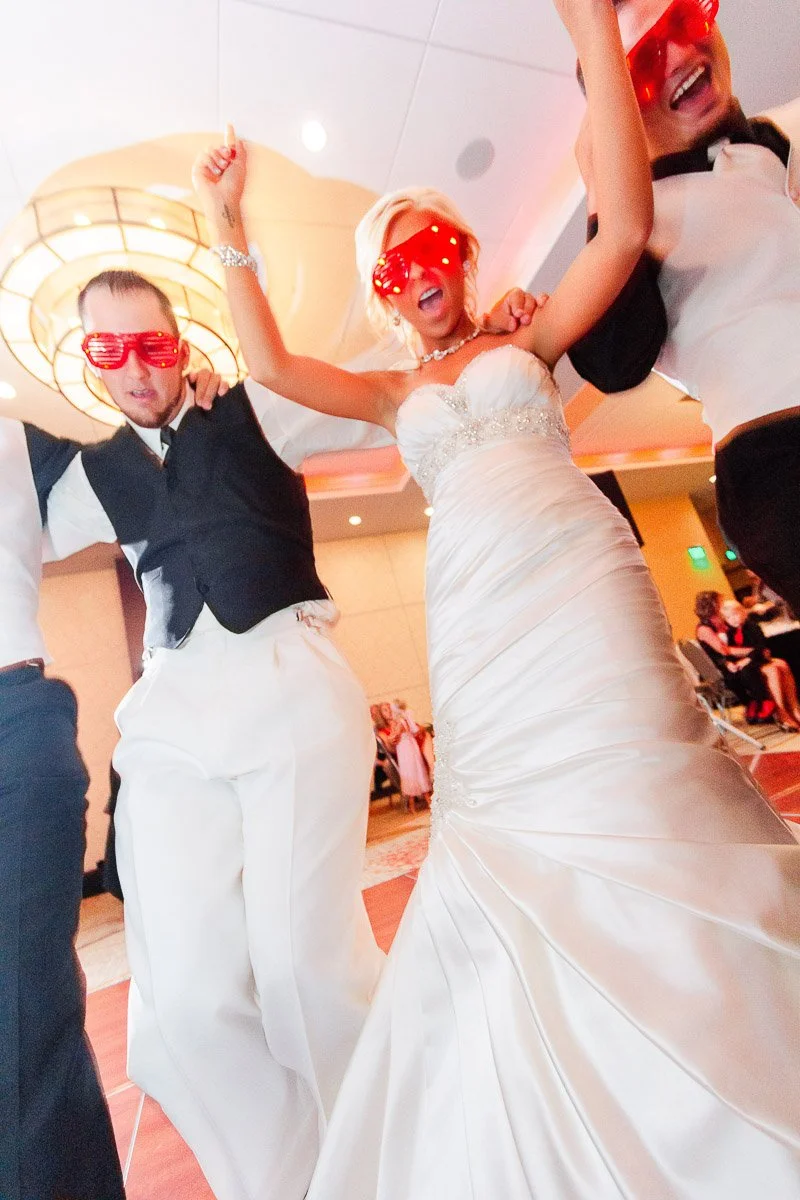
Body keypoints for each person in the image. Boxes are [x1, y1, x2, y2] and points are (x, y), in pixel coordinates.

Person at [195, 0, 800, 1189]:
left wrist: (588, 35)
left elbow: (622, 228)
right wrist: (225, 224)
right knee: (518, 817)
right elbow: (267, 366)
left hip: (583, 576)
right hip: (476, 615)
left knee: (644, 770)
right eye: (396, 267)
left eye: (437, 252)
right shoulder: (383, 393)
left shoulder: (530, 342)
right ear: (381, 291)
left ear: (466, 259)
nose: (421, 279)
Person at [43, 270, 394, 1200]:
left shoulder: (262, 409)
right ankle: (292, 1181)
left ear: (183, 344)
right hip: (173, 708)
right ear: (89, 362)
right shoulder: (85, 474)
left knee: (301, 978)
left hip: (287, 674)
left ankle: (389, 1156)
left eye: (151, 344)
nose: (134, 367)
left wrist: (477, 331)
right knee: (187, 1010)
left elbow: (387, 392)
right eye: (107, 350)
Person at [561, 0, 800, 616]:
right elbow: (613, 361)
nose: (679, 57)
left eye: (684, 21)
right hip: (783, 459)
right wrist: (604, 185)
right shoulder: (639, 222)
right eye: (642, 61)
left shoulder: (766, 154)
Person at [0, 418, 125, 1200]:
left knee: (23, 1015)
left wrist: (184, 395)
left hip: (11, 728)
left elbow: (140, 479)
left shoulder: (14, 439)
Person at [694, 589, 776, 721]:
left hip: (734, 660)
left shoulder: (721, 621)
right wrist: (754, 651)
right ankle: (759, 704)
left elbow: (738, 617)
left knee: (753, 668)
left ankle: (761, 706)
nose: (723, 604)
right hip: (722, 665)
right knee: (745, 672)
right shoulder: (704, 628)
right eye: (720, 602)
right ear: (713, 605)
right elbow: (724, 651)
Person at [722, 597, 800, 730]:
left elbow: (761, 646)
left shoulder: (752, 626)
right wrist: (731, 662)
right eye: (729, 617)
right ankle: (781, 712)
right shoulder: (729, 633)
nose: (733, 619)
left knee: (783, 665)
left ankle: (794, 708)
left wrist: (749, 658)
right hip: (749, 667)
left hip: (757, 660)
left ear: (743, 612)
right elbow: (727, 652)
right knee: (774, 670)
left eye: (735, 614)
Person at [390, 700, 431, 813]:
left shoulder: (399, 721)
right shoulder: (404, 719)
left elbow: (397, 734)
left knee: (412, 771)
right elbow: (413, 731)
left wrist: (393, 733)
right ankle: (423, 802)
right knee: (415, 771)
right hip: (409, 745)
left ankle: (416, 805)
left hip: (405, 747)